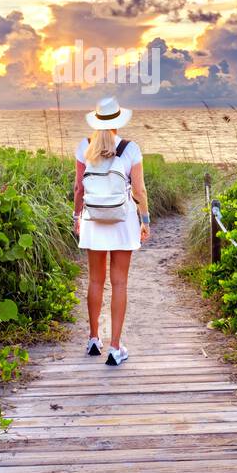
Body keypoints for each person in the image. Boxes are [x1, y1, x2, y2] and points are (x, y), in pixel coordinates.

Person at [73, 97, 150, 365]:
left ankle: (94, 338)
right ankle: (115, 347)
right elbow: (139, 191)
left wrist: (76, 216)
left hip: (93, 219)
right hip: (122, 220)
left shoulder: (84, 146)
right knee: (119, 283)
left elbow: (79, 189)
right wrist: (145, 220)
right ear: (119, 121)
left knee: (95, 281)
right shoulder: (130, 149)